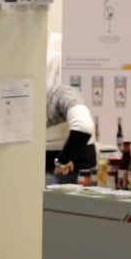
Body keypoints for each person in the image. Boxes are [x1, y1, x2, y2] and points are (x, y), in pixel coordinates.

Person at [44, 48, 95, 181]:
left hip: (65, 168)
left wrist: (63, 160)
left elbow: (83, 127)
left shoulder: (62, 94)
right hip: (61, 166)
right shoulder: (63, 93)